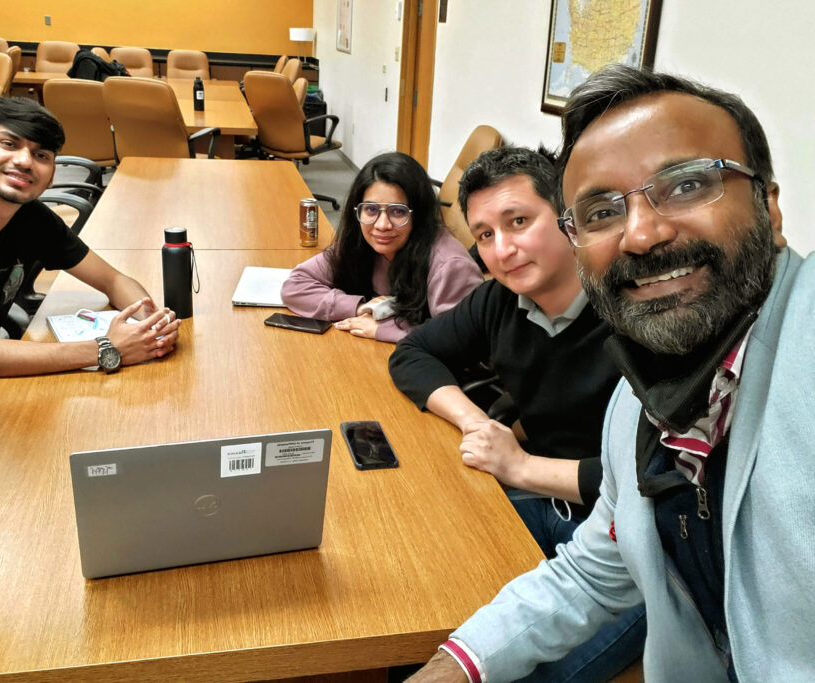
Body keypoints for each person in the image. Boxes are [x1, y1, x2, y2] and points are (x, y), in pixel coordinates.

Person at [412, 65, 815, 682]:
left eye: (685, 185)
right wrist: (451, 670)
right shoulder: (639, 402)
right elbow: (594, 573)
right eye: (601, 211)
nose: (643, 233)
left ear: (769, 205)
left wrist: (521, 468)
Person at [390, 145, 644, 682]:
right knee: (412, 596)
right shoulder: (502, 300)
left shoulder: (640, 314)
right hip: (544, 506)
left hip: (628, 555)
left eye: (519, 221)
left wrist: (520, 467)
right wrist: (476, 423)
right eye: (484, 235)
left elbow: (653, 486)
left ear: (568, 218)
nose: (502, 249)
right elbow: (412, 354)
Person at [0, 96, 181, 476]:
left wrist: (148, 322)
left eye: (41, 155)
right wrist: (105, 349)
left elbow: (112, 279)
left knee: (91, 436)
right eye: (10, 145)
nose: (26, 161)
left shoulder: (31, 220)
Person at [280, 151, 482, 343]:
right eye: (371, 209)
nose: (382, 225)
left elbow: (460, 338)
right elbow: (295, 286)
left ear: (418, 214)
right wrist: (358, 307)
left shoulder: (450, 266)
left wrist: (385, 329)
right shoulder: (360, 241)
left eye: (398, 212)